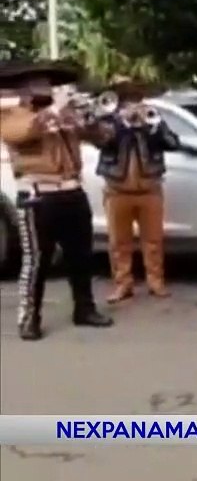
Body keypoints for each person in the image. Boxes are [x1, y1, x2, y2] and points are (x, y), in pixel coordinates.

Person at [0, 60, 113, 340]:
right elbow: (22, 133)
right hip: (39, 196)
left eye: (48, 82)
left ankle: (84, 309)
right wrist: (54, 110)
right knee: (36, 261)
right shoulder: (12, 114)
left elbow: (104, 139)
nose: (46, 87)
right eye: (39, 82)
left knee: (81, 256)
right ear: (24, 88)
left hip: (73, 192)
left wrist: (90, 120)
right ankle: (29, 318)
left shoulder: (66, 114)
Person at [95, 76, 183, 303]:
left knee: (153, 240)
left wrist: (152, 128)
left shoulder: (153, 120)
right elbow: (101, 142)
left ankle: (156, 282)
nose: (133, 104)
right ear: (120, 101)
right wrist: (122, 123)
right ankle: (122, 284)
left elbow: (174, 143)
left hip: (149, 189)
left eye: (136, 98)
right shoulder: (109, 120)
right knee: (118, 242)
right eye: (128, 99)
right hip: (117, 189)